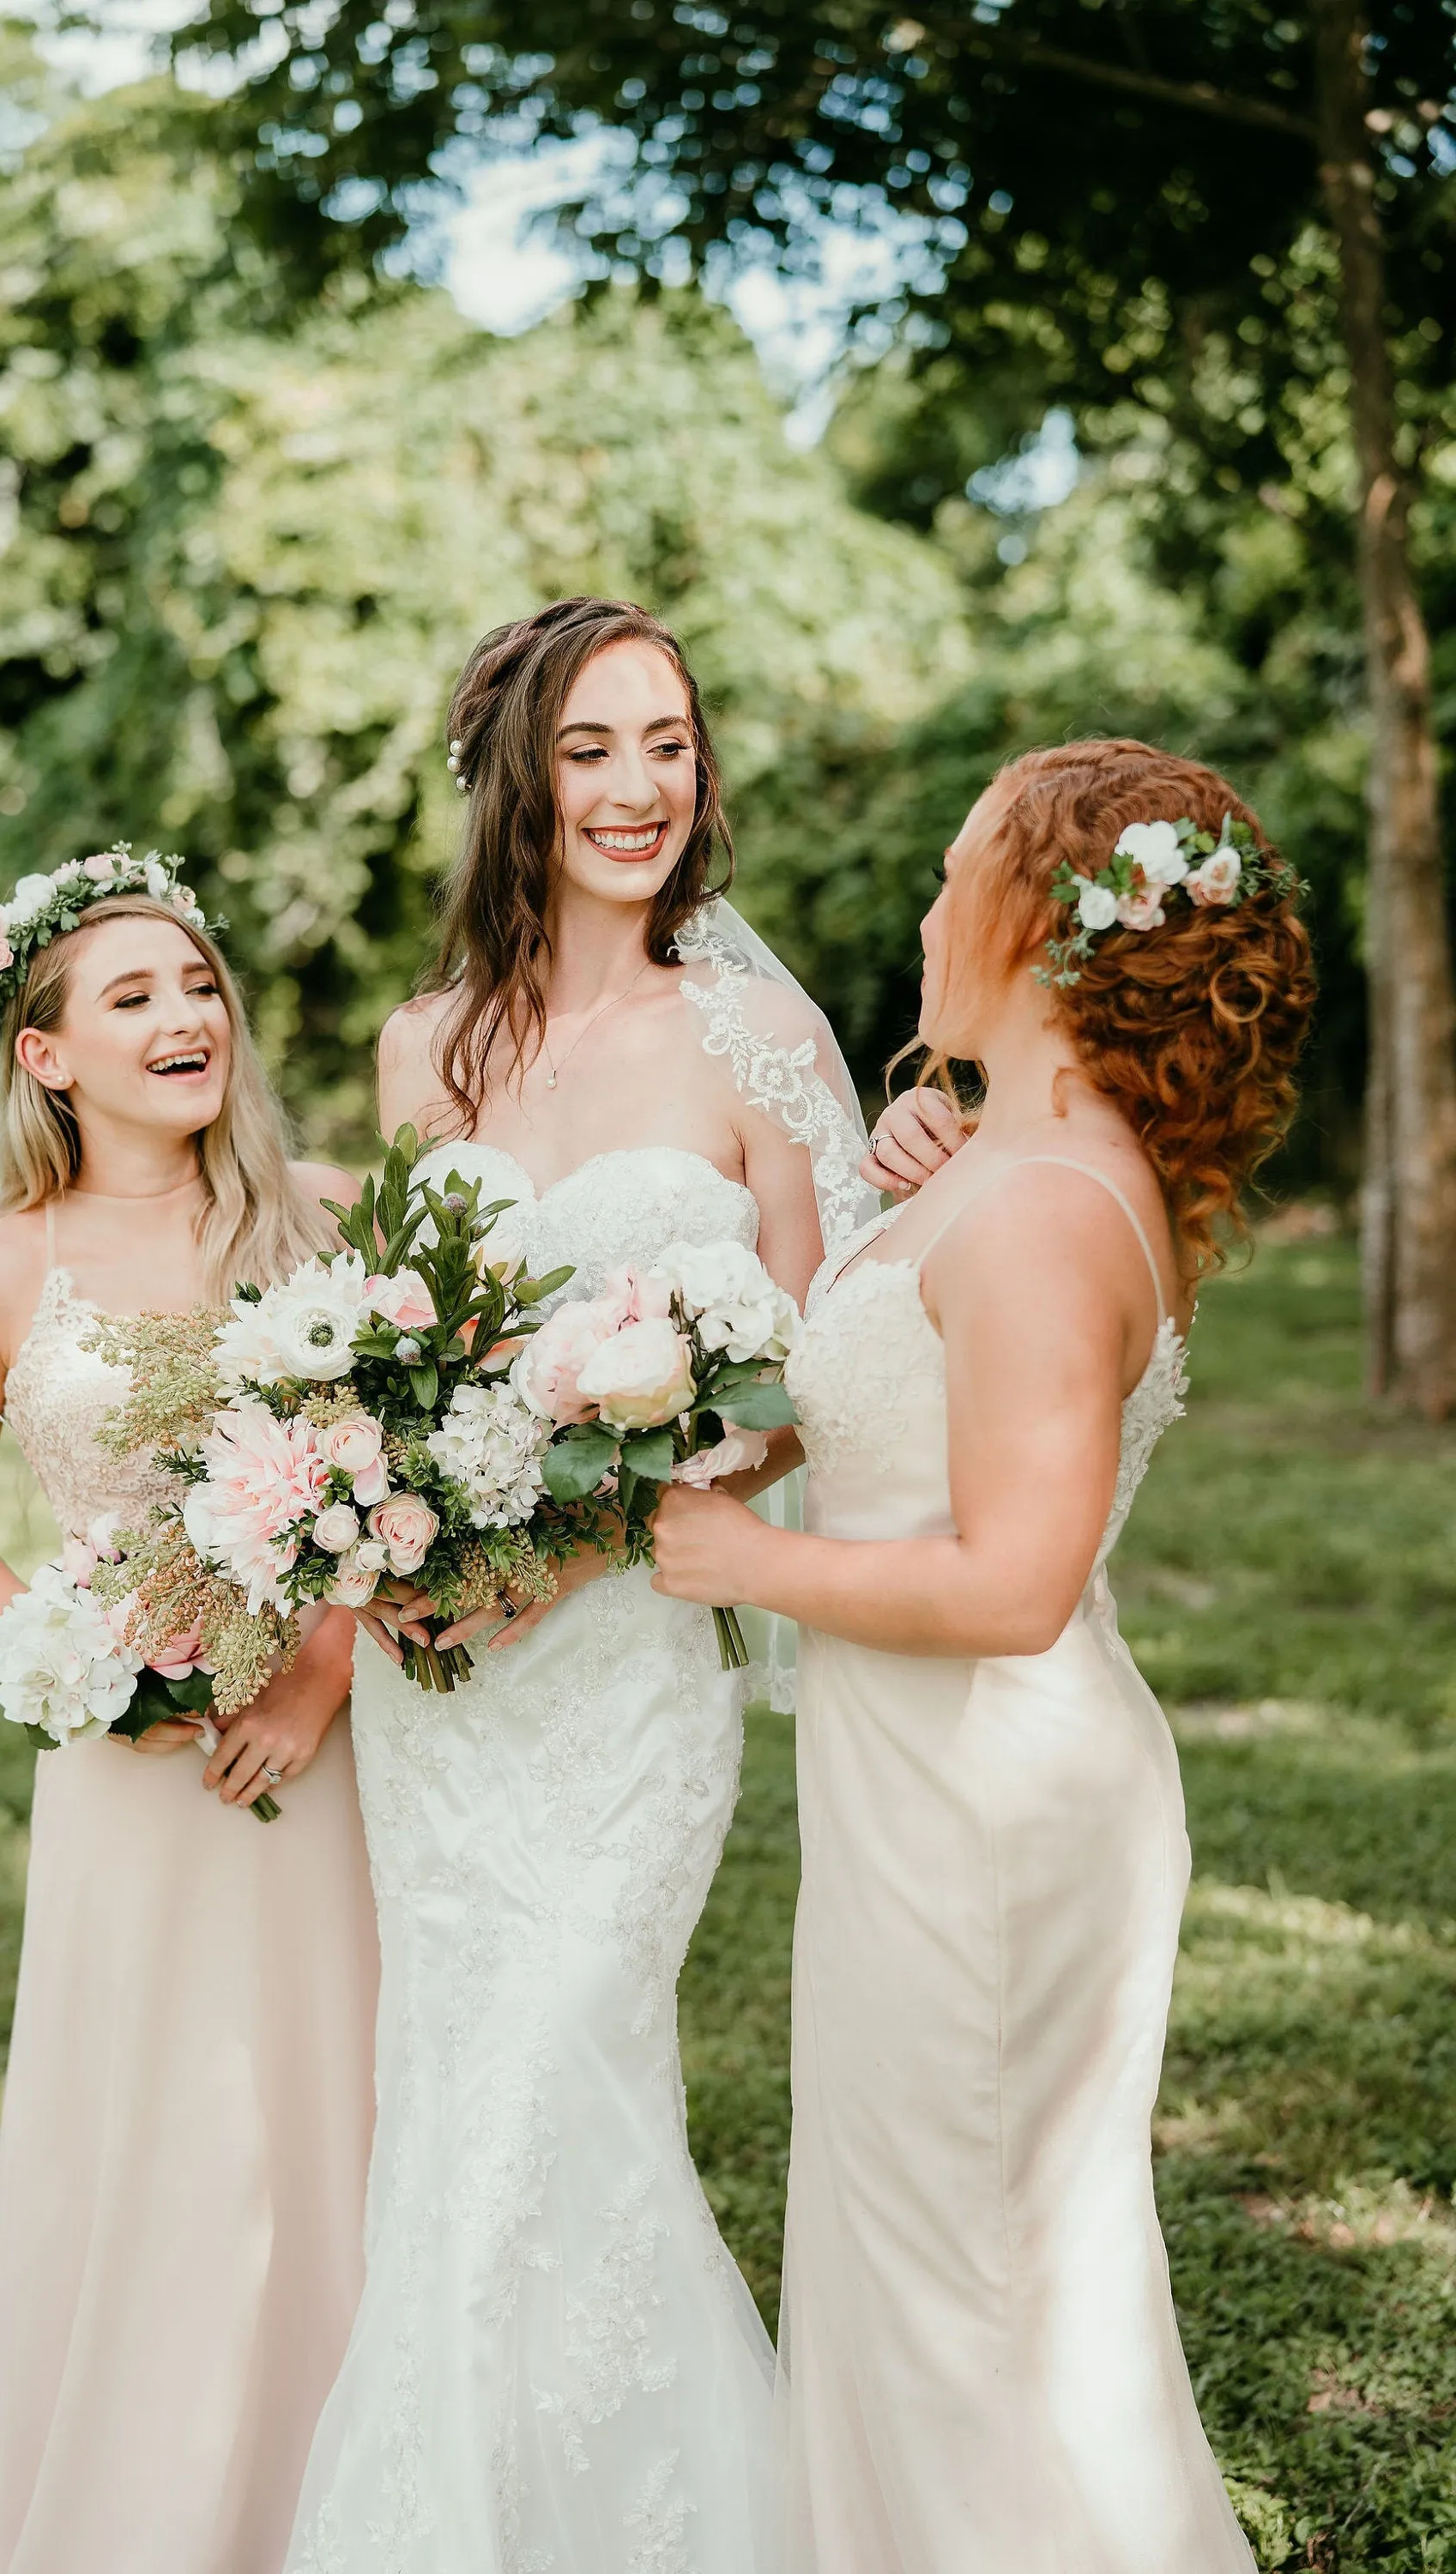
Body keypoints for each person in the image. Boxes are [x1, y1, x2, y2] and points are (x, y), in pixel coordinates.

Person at [652, 740, 1314, 2573]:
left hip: (990, 1802)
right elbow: (899, 1379)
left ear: (1036, 923)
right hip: (930, 1788)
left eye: (956, 877)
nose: (932, 909)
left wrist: (743, 1558)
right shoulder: (1016, 1159)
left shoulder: (1035, 1202)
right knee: (953, 2269)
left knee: (977, 2288)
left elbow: (1016, 1577)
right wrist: (910, 1169)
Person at [281, 598, 871, 2574]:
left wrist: (585, 1541)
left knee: (561, 2070)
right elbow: (397, 1360)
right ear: (519, 774)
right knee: (456, 2097)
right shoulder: (422, 1046)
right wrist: (405, 1559)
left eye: (670, 744)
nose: (638, 787)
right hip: (440, 1689)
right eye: (594, 747)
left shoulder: (758, 1039)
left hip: (623, 1670)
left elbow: (818, 1379)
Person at [0, 858, 379, 2574]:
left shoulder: (327, 1216)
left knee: (334, 2095)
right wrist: (74, 1649)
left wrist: (322, 1671)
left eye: (197, 986)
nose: (182, 1018)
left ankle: (347, 2475)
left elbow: (427, 1472)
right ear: (46, 1054)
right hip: (128, 1772)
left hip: (332, 1755)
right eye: (131, 997)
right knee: (151, 2108)